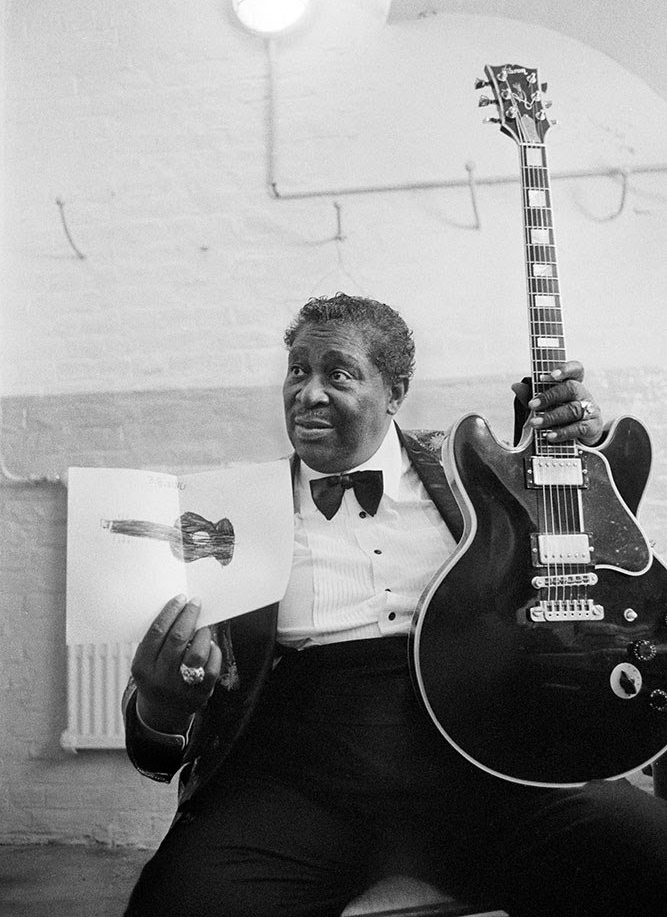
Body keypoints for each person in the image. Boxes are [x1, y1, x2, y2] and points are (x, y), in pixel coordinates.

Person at [123, 293, 667, 917]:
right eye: (297, 370)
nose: (308, 393)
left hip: (483, 769)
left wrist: (584, 447)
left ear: (395, 390)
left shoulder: (472, 474)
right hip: (297, 785)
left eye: (339, 373)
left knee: (651, 852)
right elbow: (163, 742)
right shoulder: (228, 514)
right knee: (178, 904)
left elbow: (586, 548)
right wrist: (160, 707)